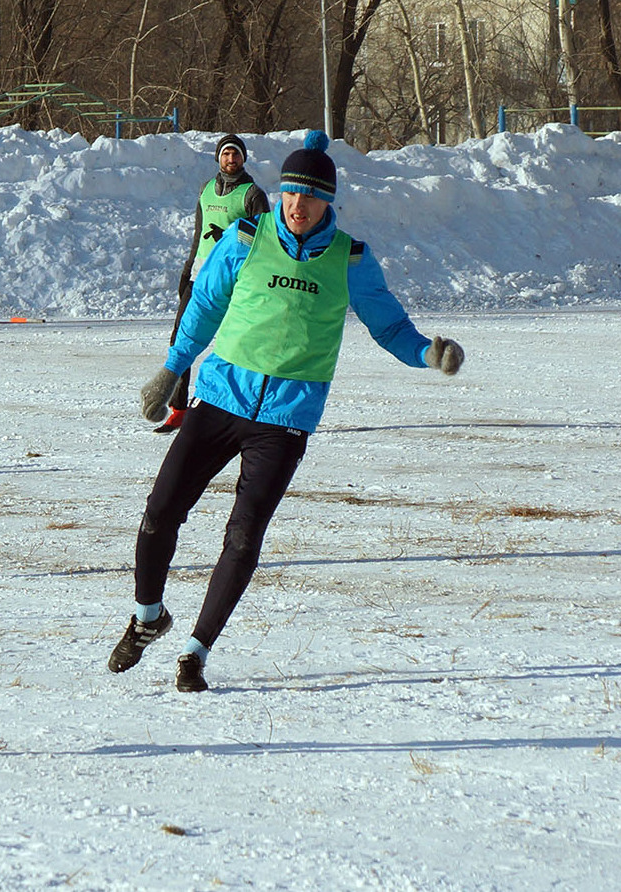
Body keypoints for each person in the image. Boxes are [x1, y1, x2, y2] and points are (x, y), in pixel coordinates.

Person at [113, 131, 465, 692]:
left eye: (310, 196)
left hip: (284, 419)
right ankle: (149, 616)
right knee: (160, 512)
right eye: (290, 194)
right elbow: (205, 306)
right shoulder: (248, 235)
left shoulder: (350, 258)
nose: (297, 206)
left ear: (329, 201)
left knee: (243, 537)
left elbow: (390, 326)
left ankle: (196, 651)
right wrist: (171, 370)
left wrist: (428, 353)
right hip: (221, 398)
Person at [153, 134, 270, 433]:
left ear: (244, 159)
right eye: (226, 154)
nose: (231, 160)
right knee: (180, 340)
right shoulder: (206, 190)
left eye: (237, 155)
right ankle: (179, 408)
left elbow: (265, 242)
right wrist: (186, 270)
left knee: (240, 345)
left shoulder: (252, 194)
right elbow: (199, 233)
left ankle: (250, 409)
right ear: (218, 158)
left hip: (235, 280)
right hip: (200, 278)